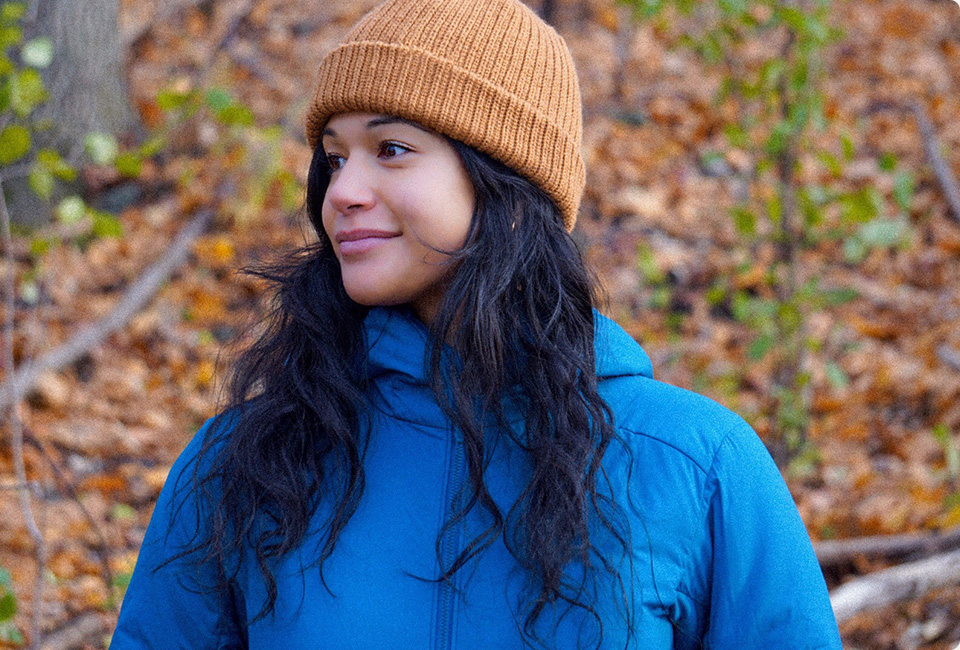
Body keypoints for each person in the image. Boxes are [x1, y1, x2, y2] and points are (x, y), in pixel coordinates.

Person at [111, 0, 842, 648]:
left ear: (504, 183)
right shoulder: (249, 463)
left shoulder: (692, 463)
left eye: (390, 149)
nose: (344, 192)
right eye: (334, 159)